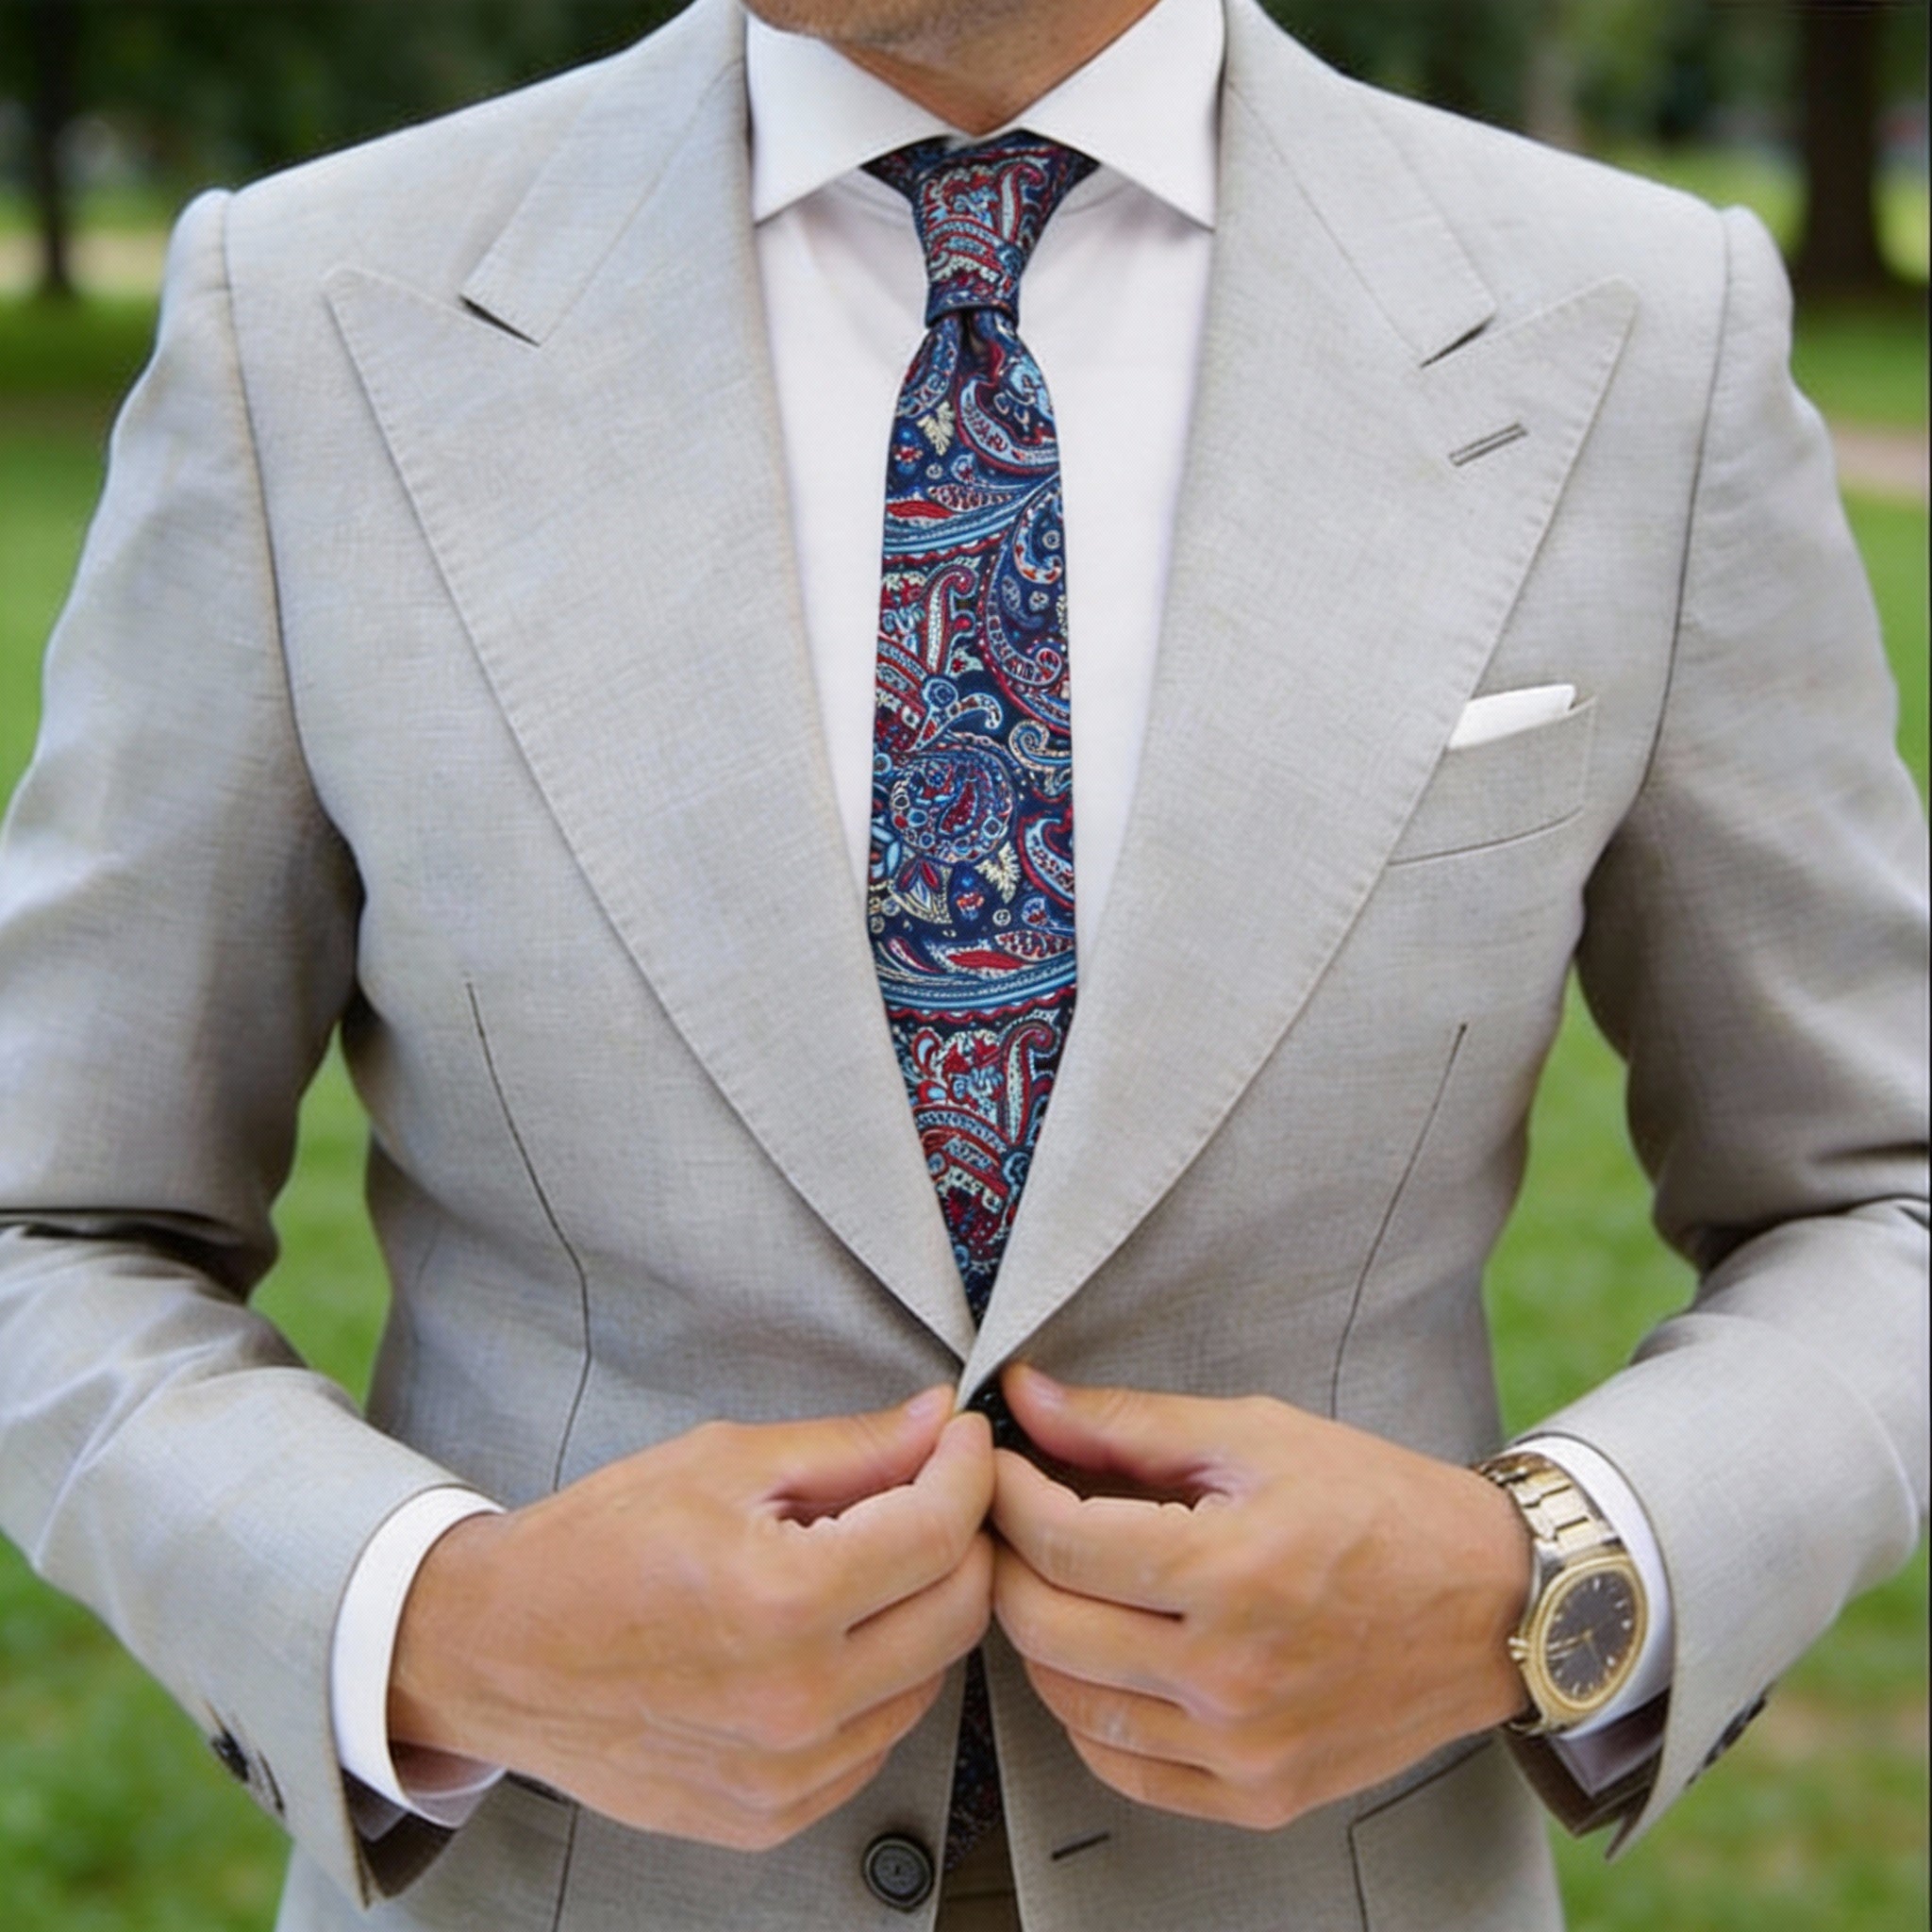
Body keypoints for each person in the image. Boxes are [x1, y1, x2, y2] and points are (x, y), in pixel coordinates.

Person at [0, 0, 1924, 1925]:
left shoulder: (1636, 329)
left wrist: (1545, 1581)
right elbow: (52, 1225)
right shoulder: (312, 311)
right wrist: (441, 1623)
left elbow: (1876, 1197)